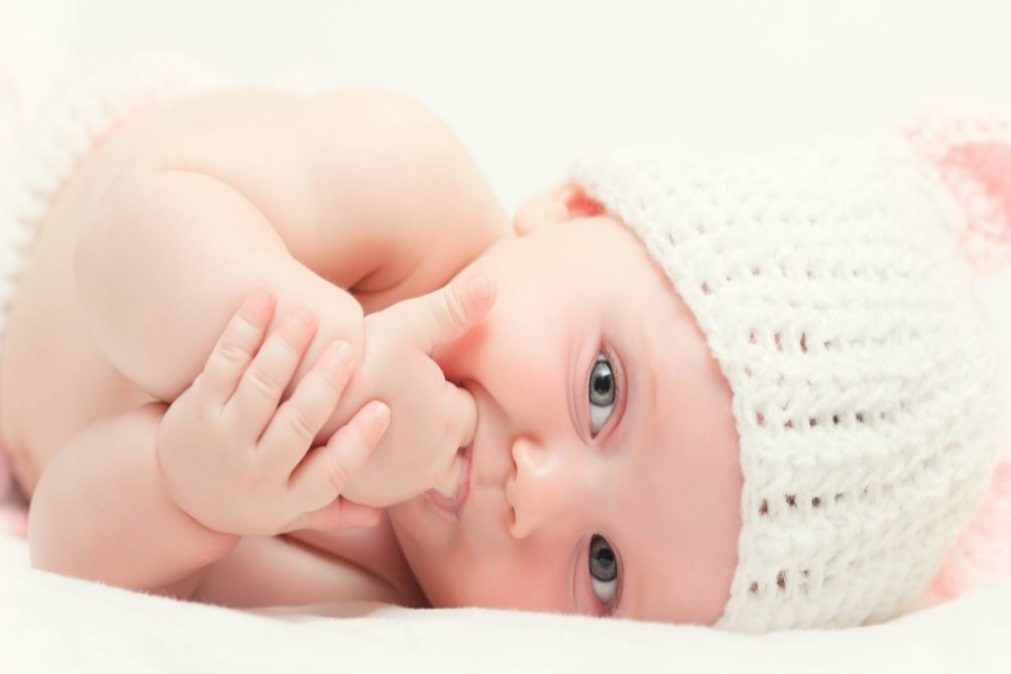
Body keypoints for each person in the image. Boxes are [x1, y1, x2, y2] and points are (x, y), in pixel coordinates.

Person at [1, 58, 1008, 632]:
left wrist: (193, 487)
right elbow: (121, 251)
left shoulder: (376, 600)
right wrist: (329, 367)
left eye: (603, 567)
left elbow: (65, 539)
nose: (538, 490)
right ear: (568, 208)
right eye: (602, 388)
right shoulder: (409, 190)